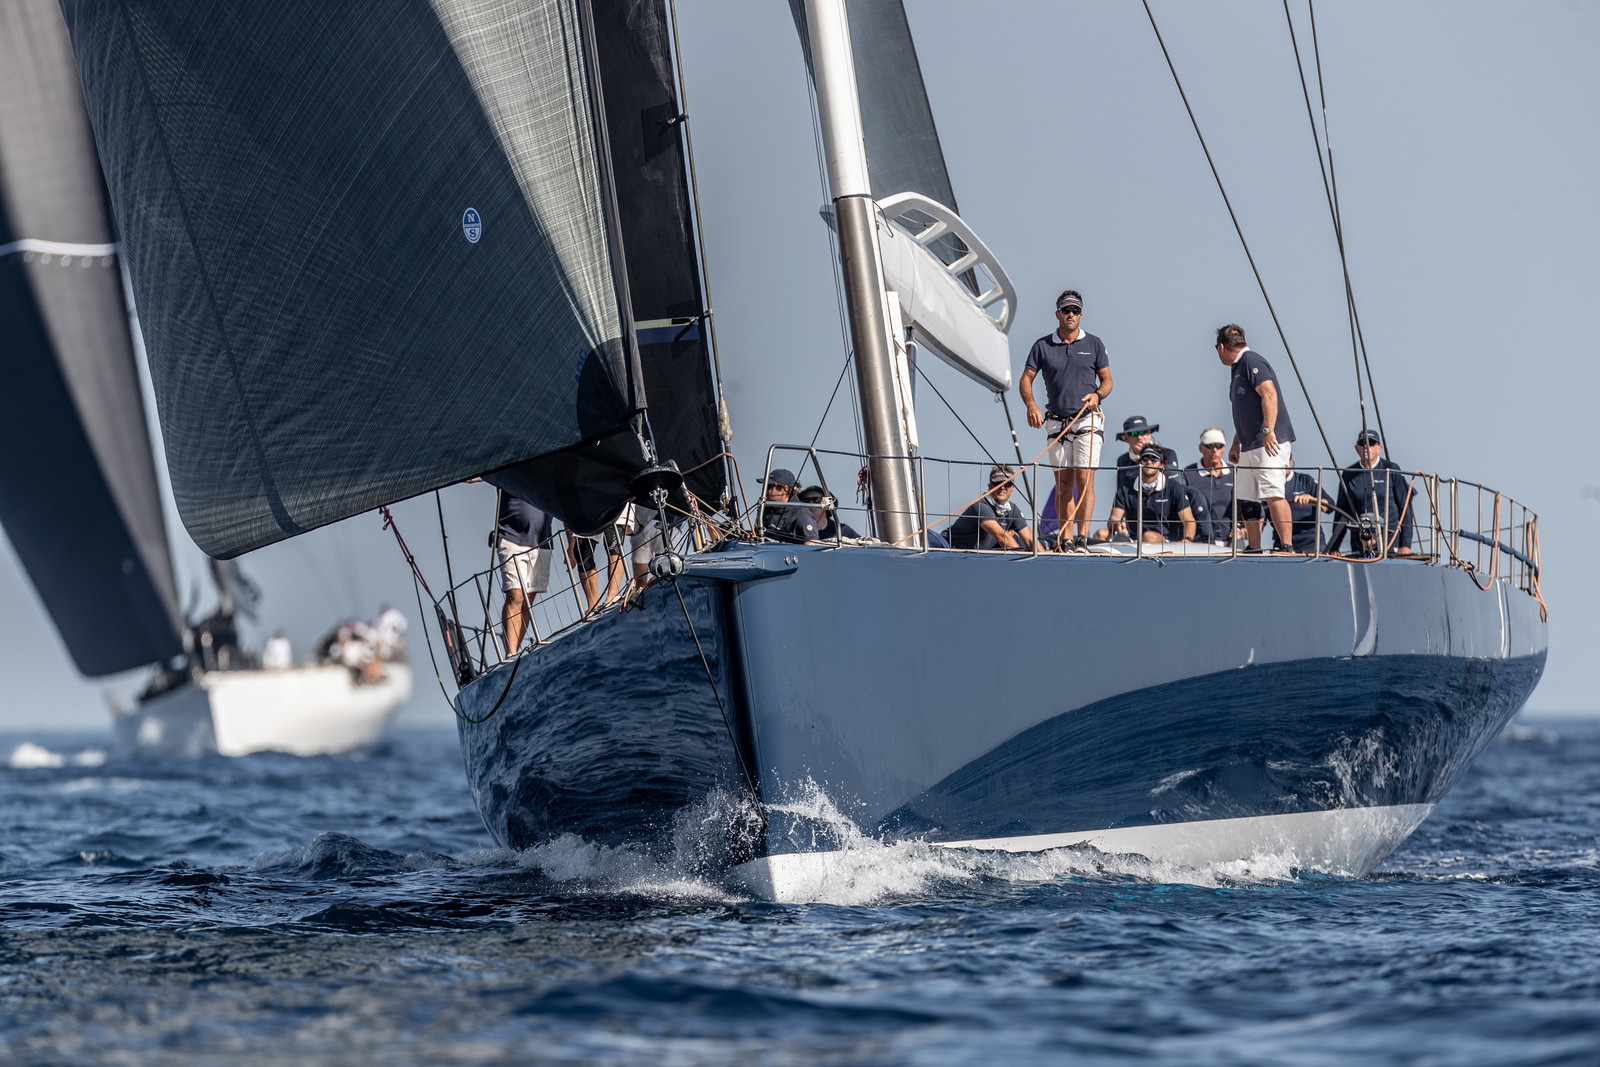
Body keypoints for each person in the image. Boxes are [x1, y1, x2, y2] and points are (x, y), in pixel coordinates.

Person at [1019, 290, 1113, 550]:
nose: (1070, 314)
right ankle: (1067, 537)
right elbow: (1026, 379)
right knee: (1063, 483)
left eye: (1075, 311)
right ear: (1057, 313)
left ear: (1081, 315)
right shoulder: (1042, 345)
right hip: (1057, 422)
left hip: (1087, 420)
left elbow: (1107, 381)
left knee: (1085, 478)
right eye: (1066, 310)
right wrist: (1031, 405)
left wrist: (1097, 395)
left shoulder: (1094, 344)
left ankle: (1083, 535)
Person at [1215, 324, 1296, 551]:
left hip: (1268, 442)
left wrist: (1269, 431)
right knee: (1248, 498)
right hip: (1249, 444)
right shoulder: (1239, 366)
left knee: (1272, 493)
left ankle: (1286, 545)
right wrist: (1236, 442)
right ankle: (1254, 546)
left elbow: (1269, 394)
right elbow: (1246, 411)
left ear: (1221, 347)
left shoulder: (1251, 361)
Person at [1329, 430, 1416, 557]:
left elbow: (1405, 506)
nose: (1366, 447)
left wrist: (1406, 544)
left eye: (1371, 443)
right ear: (1356, 448)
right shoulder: (1348, 475)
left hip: (1390, 542)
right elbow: (1342, 512)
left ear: (1379, 448)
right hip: (1360, 542)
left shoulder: (1391, 470)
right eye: (1362, 444)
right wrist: (1334, 546)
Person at [1096, 446, 1198, 544]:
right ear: (1140, 463)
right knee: (1100, 534)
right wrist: (1117, 525)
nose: (1149, 462)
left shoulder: (1174, 487)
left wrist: (1187, 540)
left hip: (1164, 541)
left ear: (1162, 465)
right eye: (1145, 458)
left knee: (1148, 537)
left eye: (1154, 459)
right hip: (1131, 540)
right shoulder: (1125, 488)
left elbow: (1189, 520)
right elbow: (1113, 519)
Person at [495, 491, 553, 654]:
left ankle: (516, 650)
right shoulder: (504, 468)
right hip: (511, 538)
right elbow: (476, 476)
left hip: (542, 541)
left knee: (528, 600)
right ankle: (511, 653)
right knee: (515, 596)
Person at [1182, 427, 1246, 544]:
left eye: (1219, 446)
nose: (1215, 450)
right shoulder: (1187, 474)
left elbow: (1250, 504)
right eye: (1209, 446)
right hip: (1200, 542)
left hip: (1232, 542)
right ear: (1200, 448)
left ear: (1224, 448)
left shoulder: (1235, 473)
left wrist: (1244, 530)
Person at [948, 466, 1034, 551]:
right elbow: (1001, 536)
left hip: (972, 557)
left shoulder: (1013, 510)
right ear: (990, 486)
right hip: (948, 548)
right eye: (998, 483)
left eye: (1008, 483)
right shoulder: (981, 506)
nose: (1002, 487)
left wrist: (1043, 561)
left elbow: (1030, 541)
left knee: (1025, 543)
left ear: (1013, 487)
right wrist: (1022, 561)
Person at [1114, 415, 1180, 496]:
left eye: (1143, 432)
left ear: (1149, 434)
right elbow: (1121, 494)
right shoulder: (1122, 461)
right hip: (1134, 505)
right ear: (1125, 438)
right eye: (1133, 433)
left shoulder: (1167, 454)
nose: (1139, 437)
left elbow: (1176, 487)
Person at [1272, 470, 1336, 553]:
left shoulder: (1305, 480)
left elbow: (1330, 506)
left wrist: (1313, 500)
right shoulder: (1269, 486)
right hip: (1281, 546)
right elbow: (1260, 517)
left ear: (1291, 461)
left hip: (1312, 545)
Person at [758, 468, 818, 542]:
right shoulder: (766, 509)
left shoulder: (802, 516)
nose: (764, 490)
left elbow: (811, 546)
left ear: (785, 489)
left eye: (769, 486)